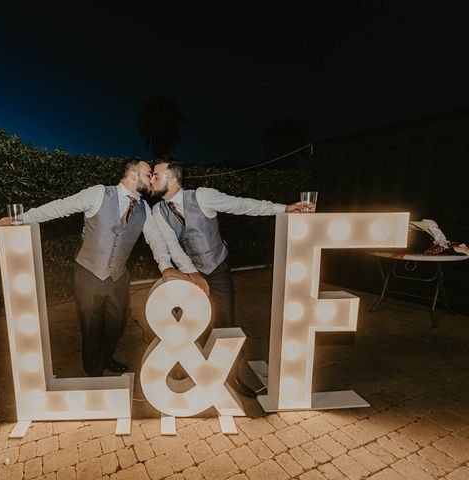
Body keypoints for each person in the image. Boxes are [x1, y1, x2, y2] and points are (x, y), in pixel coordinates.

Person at [150, 158, 305, 396]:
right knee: (189, 323)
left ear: (172, 180)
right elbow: (172, 246)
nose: (151, 179)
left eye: (156, 175)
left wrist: (283, 208)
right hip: (190, 271)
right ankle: (193, 372)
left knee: (225, 326)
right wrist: (191, 274)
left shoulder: (202, 196)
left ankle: (233, 378)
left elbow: (242, 205)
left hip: (217, 268)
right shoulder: (158, 210)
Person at [22, 159, 189, 377]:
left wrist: (166, 267)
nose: (152, 180)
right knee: (90, 326)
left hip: (119, 277)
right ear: (133, 175)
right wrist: (22, 218)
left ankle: (107, 356)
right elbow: (60, 207)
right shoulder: (99, 193)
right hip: (89, 273)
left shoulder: (144, 209)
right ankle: (94, 372)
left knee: (116, 324)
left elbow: (155, 240)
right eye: (149, 174)